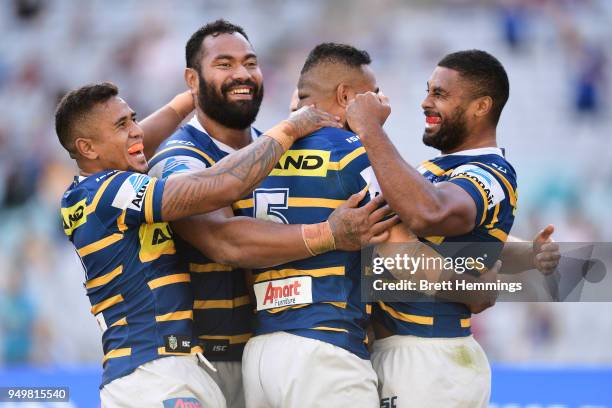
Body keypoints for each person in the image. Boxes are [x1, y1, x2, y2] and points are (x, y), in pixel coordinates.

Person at [148, 21, 397, 408]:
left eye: (250, 62)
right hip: (197, 362)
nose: (242, 74)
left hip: (259, 354)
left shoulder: (284, 146)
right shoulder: (178, 158)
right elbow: (224, 241)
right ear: (192, 79)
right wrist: (328, 235)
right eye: (225, 64)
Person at [56, 81, 345, 407]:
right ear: (88, 148)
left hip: (171, 364)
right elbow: (218, 186)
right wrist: (288, 129)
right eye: (122, 125)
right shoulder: (109, 190)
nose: (137, 131)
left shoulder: (86, 191)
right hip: (152, 374)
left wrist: (192, 99)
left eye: (133, 119)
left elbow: (138, 139)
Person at [346, 49, 520, 407]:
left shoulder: (489, 173)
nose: (425, 102)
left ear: (481, 106)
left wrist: (369, 129)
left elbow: (430, 213)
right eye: (427, 91)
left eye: (439, 94)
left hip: (430, 356)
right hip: (401, 352)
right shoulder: (431, 172)